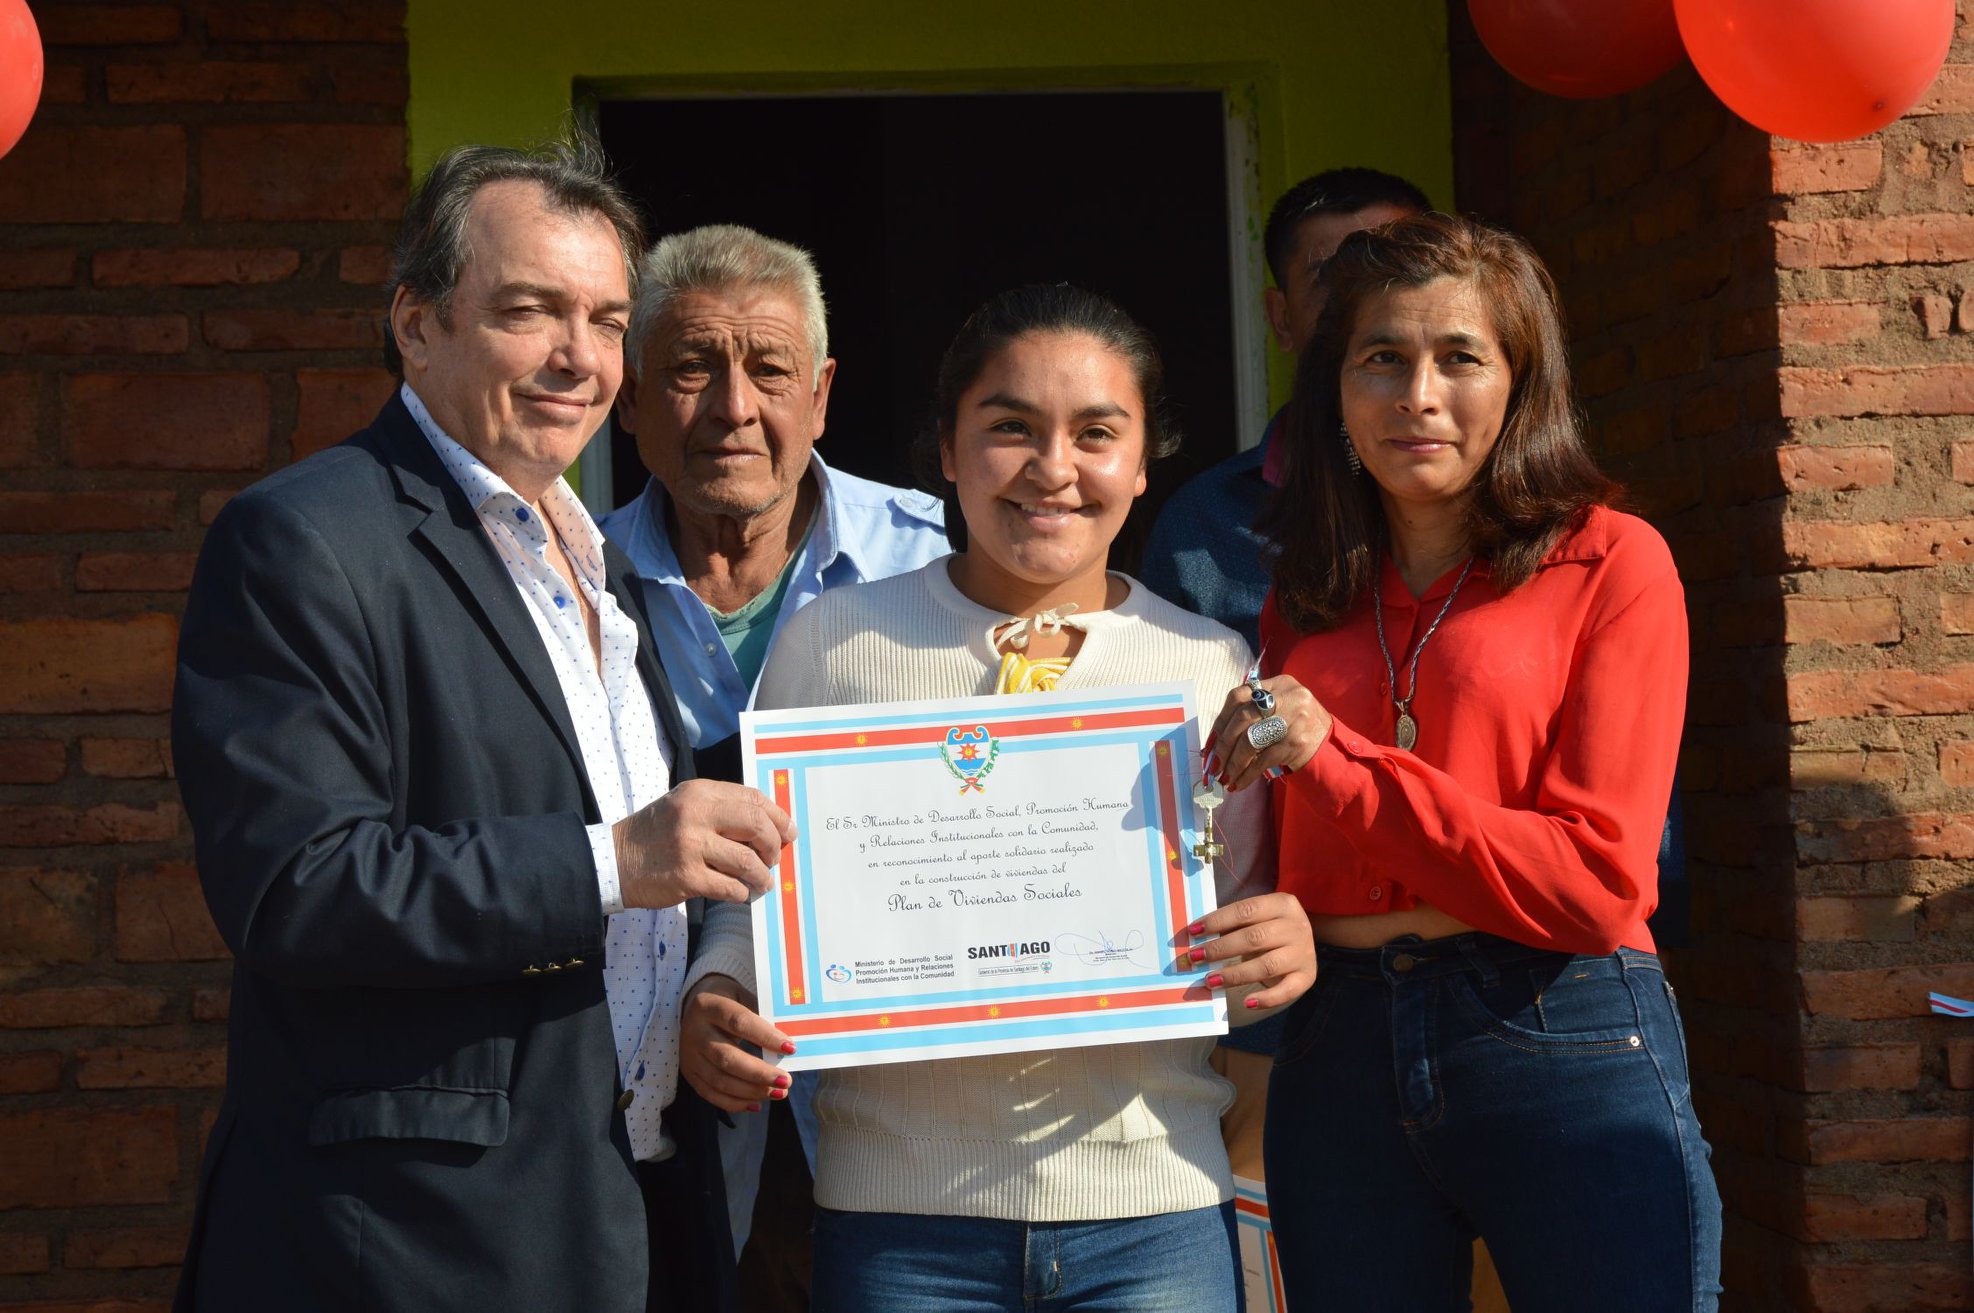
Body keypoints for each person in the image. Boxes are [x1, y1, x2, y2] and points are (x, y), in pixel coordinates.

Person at [170, 139, 791, 1313]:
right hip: (417, 1242)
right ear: (417, 325)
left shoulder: (600, 561)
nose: (580, 357)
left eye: (607, 321)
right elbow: (297, 887)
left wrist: (706, 981)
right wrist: (614, 859)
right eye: (530, 311)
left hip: (638, 1204)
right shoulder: (301, 540)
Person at [679, 285, 1317, 1311]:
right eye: (1010, 427)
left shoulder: (1205, 666)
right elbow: (763, 896)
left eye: (1096, 433)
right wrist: (718, 984)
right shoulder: (836, 646)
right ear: (946, 447)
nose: (1053, 468)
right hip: (899, 1223)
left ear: (1144, 462)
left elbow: (1235, 927)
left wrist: (1281, 947)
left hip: (1154, 1216)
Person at [1204, 213, 1722, 1311]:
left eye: (1460, 358)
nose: (1418, 395)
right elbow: (1271, 848)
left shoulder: (1611, 561)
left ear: (1521, 383)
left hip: (1556, 1018)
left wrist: (1333, 760)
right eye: (1381, 358)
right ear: (1335, 391)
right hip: (1336, 1044)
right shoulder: (1306, 588)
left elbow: (1597, 883)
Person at [599, 223, 949, 1306]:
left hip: (913, 1116)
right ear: (629, 395)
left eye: (770, 368)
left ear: (823, 393)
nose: (733, 407)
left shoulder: (943, 562)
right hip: (650, 1111)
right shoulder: (572, 589)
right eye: (692, 368)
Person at [1139, 167, 1429, 648]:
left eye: (1395, 271)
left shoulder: (1502, 505)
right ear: (1281, 318)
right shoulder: (1202, 524)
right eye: (1330, 278)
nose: (1368, 305)